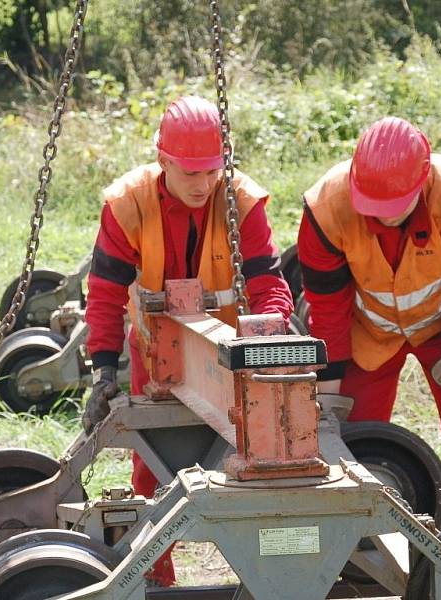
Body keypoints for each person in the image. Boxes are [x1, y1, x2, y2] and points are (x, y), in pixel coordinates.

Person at [82, 95, 294, 586]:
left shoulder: (241, 200)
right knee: (153, 470)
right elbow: (106, 293)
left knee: (258, 463)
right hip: (154, 350)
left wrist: (268, 333)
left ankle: (269, 582)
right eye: (189, 173)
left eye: (210, 172)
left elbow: (267, 283)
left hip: (229, 354)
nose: (202, 185)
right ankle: (154, 582)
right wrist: (102, 372)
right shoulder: (128, 203)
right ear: (163, 162)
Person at [297, 116, 441, 517]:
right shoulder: (326, 207)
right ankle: (353, 558)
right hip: (367, 331)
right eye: (374, 208)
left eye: (394, 207)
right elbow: (328, 305)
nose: (384, 217)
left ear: (423, 177)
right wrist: (329, 394)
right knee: (347, 443)